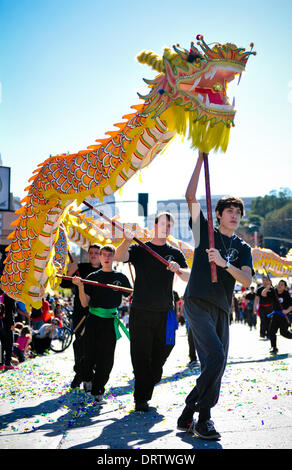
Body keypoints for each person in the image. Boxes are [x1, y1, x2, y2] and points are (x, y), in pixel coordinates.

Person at [177, 153, 254, 440]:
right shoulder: (204, 231)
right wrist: (200, 159)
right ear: (219, 214)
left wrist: (224, 264)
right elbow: (190, 195)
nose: (234, 215)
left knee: (217, 364)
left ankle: (188, 411)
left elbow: (246, 280)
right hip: (197, 300)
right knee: (216, 357)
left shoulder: (243, 247)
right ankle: (204, 418)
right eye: (229, 210)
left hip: (222, 307)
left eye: (238, 211)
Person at [115, 212, 190, 412]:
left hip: (165, 311)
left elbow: (188, 276)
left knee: (166, 347)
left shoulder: (174, 252)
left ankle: (152, 377)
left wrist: (178, 269)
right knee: (140, 355)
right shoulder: (141, 248)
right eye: (163, 224)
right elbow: (119, 256)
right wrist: (126, 241)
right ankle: (141, 398)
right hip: (140, 310)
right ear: (155, 226)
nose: (166, 228)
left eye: (169, 225)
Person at [72, 244, 132, 403]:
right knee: (89, 355)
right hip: (93, 321)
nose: (106, 258)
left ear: (113, 258)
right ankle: (87, 378)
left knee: (106, 359)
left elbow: (132, 295)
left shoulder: (121, 278)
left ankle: (98, 391)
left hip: (110, 322)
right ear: (99, 257)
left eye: (109, 255)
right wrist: (80, 286)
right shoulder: (92, 277)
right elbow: (85, 304)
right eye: (103, 255)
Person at [61, 244, 101, 388]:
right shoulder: (81, 268)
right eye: (91, 253)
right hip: (81, 314)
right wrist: (70, 272)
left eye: (97, 253)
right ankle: (80, 373)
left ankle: (89, 375)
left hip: (99, 316)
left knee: (96, 348)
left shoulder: (106, 271)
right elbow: (64, 284)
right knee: (80, 346)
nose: (93, 255)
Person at [265, 279, 292, 354]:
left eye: (282, 285)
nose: (279, 286)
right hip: (275, 315)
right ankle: (274, 347)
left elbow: (291, 306)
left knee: (284, 333)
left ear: (285, 287)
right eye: (279, 284)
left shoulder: (286, 294)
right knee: (271, 332)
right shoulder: (274, 292)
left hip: (284, 316)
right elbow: (263, 294)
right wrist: (268, 287)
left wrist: (286, 311)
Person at [0, 292, 16, 370]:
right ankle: (7, 363)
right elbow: (10, 311)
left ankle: (1, 363)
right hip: (7, 323)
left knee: (1, 344)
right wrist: (12, 323)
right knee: (9, 343)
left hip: (1, 322)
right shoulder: (10, 296)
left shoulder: (2, 296)